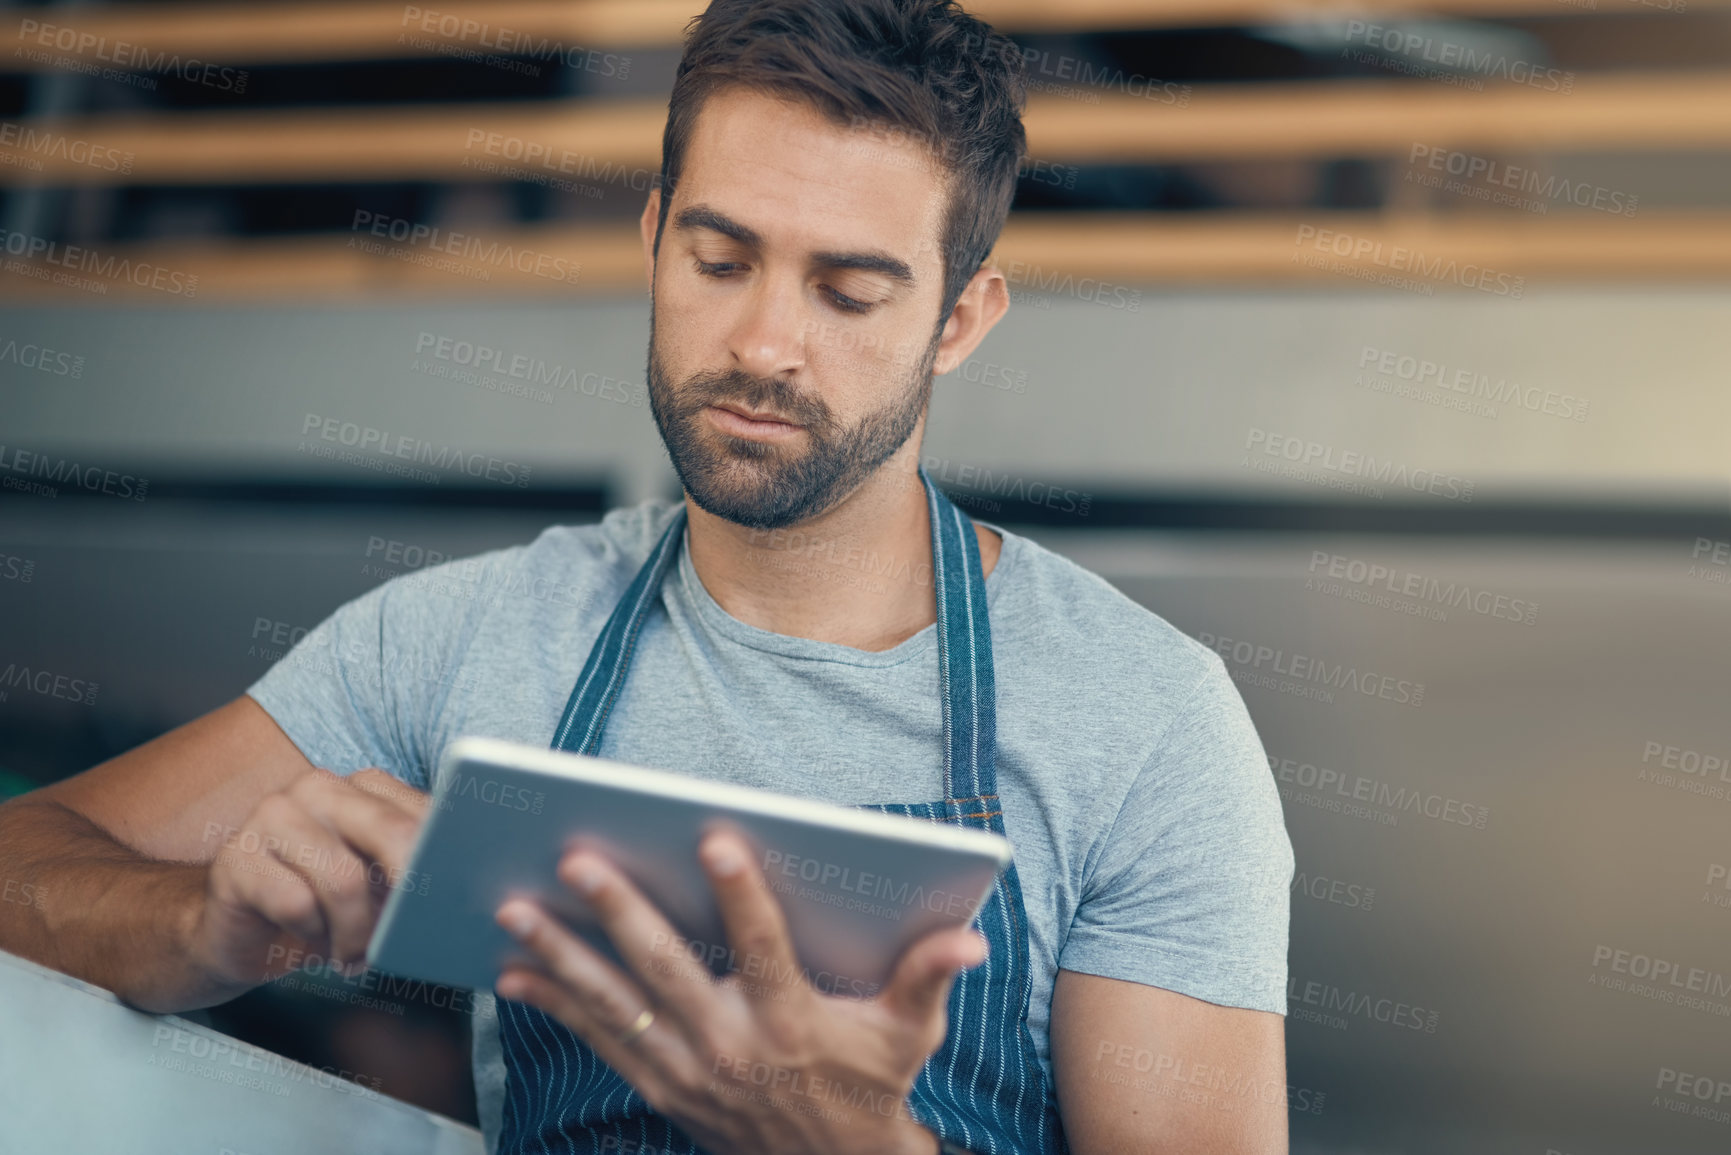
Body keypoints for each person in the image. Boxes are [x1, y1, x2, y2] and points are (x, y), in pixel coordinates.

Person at [0, 1, 1294, 1152]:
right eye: (720, 261)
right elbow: (25, 862)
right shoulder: (463, 638)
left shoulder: (1149, 723)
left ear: (958, 321)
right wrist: (198, 928)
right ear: (653, 237)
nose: (765, 344)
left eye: (849, 293)